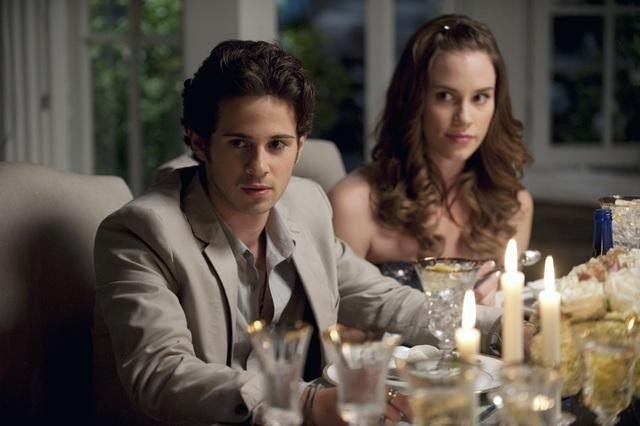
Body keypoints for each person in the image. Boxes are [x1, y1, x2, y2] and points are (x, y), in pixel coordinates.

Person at [91, 39, 502, 426]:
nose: (259, 167)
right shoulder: (142, 232)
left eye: (277, 144)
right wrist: (305, 402)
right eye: (239, 144)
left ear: (299, 146)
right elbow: (161, 371)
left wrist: (500, 328)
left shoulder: (306, 205)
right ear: (200, 144)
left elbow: (382, 298)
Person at [329, 14, 534, 302]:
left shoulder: (513, 206)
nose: (464, 117)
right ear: (414, 100)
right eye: (445, 96)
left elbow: (504, 318)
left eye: (480, 97)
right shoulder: (352, 203)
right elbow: (332, 322)